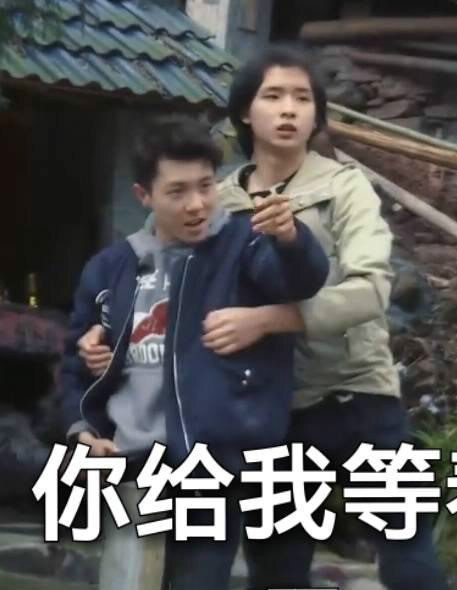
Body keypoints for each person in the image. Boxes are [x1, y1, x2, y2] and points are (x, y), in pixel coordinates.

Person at [78, 46, 451, 590]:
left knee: (409, 559)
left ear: (317, 116)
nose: (289, 109)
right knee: (277, 570)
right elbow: (160, 275)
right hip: (272, 412)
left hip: (356, 395)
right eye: (273, 96)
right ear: (244, 112)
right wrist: (107, 328)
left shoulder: (345, 187)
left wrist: (270, 320)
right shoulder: (217, 197)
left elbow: (372, 290)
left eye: (303, 98)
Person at [59, 114, 329, 590]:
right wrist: (82, 428)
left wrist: (291, 238)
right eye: (177, 191)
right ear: (143, 195)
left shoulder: (245, 244)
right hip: (130, 467)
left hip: (212, 469)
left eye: (206, 186)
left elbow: (300, 279)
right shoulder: (111, 268)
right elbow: (74, 364)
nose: (197, 204)